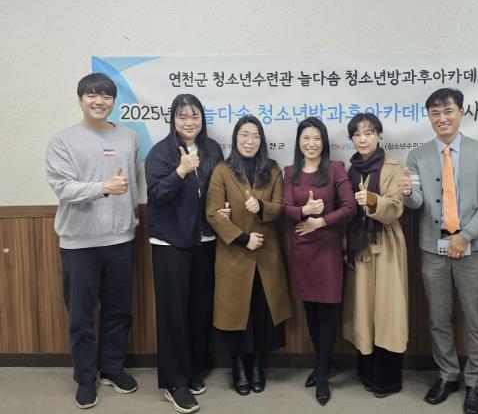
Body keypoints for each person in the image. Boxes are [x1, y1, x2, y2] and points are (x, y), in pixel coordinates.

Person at [397, 87, 478, 414]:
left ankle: (476, 383)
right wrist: (406, 194)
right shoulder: (417, 156)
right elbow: (416, 203)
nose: (442, 118)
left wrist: (465, 236)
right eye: (435, 114)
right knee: (438, 316)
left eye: (448, 111)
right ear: (429, 118)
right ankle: (447, 375)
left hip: (475, 247)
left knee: (476, 317)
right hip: (433, 248)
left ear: (461, 113)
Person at [45, 73, 140, 409]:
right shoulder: (62, 140)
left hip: (121, 238)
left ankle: (112, 368)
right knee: (81, 316)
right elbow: (62, 188)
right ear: (80, 99)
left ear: (114, 101)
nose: (99, 101)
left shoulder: (129, 138)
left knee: (119, 311)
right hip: (79, 242)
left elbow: (133, 184)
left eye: (106, 96)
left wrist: (131, 218)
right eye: (92, 95)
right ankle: (86, 378)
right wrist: (102, 188)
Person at [145, 94, 225, 414]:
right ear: (173, 120)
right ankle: (173, 382)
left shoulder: (213, 149)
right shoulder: (160, 152)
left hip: (204, 240)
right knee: (173, 313)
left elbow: (220, 189)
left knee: (199, 309)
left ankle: (191, 369)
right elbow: (156, 196)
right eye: (182, 116)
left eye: (194, 116)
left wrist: (226, 207)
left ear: (202, 119)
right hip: (170, 242)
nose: (189, 122)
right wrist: (180, 171)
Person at [205, 115, 294, 397]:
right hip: (235, 253)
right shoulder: (222, 170)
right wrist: (244, 238)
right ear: (235, 138)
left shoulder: (273, 169)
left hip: (267, 253)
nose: (249, 141)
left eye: (255, 136)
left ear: (261, 140)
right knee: (235, 314)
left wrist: (261, 206)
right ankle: (238, 367)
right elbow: (213, 213)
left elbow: (280, 207)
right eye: (244, 135)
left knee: (261, 313)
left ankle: (257, 365)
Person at [282, 117, 357, 406]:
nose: (311, 144)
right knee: (311, 311)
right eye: (306, 138)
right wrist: (304, 211)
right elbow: (285, 208)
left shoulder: (336, 169)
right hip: (302, 251)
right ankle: (321, 363)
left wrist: (320, 221)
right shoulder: (290, 172)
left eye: (316, 138)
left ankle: (322, 374)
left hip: (327, 250)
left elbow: (350, 207)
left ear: (324, 142)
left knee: (328, 312)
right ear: (298, 142)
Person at [342, 113, 409, 398]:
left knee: (387, 310)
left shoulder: (393, 167)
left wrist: (372, 200)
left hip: (386, 245)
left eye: (368, 133)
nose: (363, 139)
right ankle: (366, 371)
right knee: (363, 310)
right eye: (357, 135)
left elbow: (396, 207)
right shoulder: (350, 170)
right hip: (359, 247)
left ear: (379, 135)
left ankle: (387, 379)